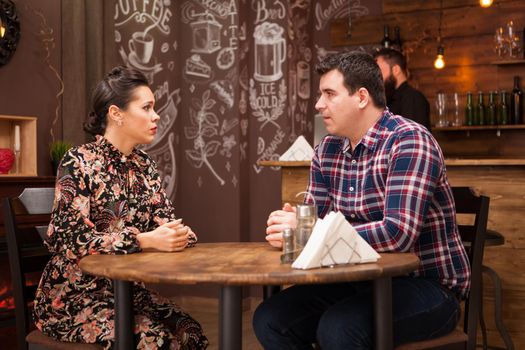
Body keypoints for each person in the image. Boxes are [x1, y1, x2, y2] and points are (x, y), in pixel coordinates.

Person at [254, 51, 470, 349]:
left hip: (427, 286)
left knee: (339, 327)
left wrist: (310, 231)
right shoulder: (326, 150)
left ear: (361, 97)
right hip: (354, 281)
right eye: (320, 95)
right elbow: (317, 229)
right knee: (269, 318)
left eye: (329, 94)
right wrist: (292, 231)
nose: (319, 105)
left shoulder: (409, 141)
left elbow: (397, 233)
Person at [33, 66, 209, 350]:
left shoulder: (144, 165)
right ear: (116, 113)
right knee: (156, 340)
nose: (156, 116)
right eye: (147, 107)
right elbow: (67, 239)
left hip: (128, 292)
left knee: (191, 333)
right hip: (73, 297)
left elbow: (168, 225)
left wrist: (177, 235)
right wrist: (143, 240)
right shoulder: (78, 162)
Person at [373, 47, 431, 130]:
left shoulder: (413, 98)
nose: (376, 77)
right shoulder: (387, 99)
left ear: (396, 70)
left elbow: (412, 138)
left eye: (379, 71)